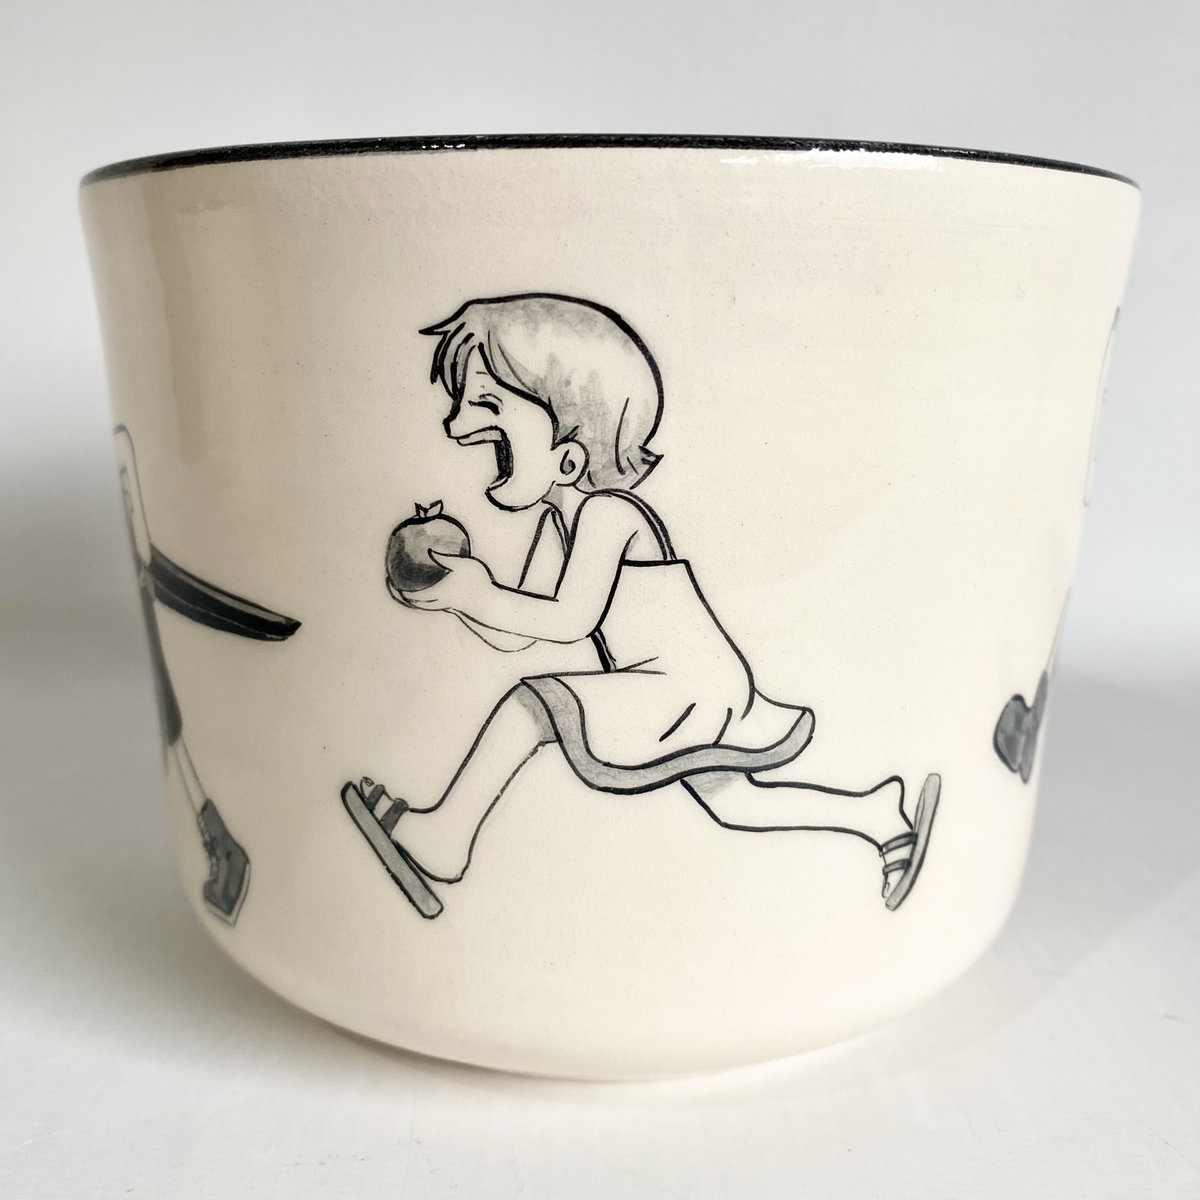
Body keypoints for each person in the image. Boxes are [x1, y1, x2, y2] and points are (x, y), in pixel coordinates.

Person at [341, 294, 939, 919]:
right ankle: (875, 814)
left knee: (535, 705)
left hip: (687, 688)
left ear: (570, 454)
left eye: (487, 407)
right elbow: (519, 634)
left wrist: (477, 593)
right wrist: (456, 599)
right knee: (735, 802)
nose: (456, 425)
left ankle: (445, 838)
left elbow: (571, 620)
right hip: (678, 688)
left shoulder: (609, 514)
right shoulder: (558, 521)